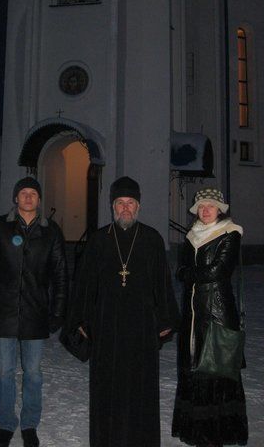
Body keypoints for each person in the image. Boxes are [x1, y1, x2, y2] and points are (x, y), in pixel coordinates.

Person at [64, 176, 179, 447]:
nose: (125, 208)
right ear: (112, 206)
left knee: (141, 392)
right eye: (120, 203)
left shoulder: (151, 239)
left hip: (142, 329)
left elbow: (163, 284)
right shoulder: (97, 241)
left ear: (138, 206)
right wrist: (79, 320)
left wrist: (166, 319)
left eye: (130, 203)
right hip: (106, 329)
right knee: (107, 391)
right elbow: (83, 286)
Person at [0, 177, 68, 447]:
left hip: (36, 312)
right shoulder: (0, 228)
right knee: (4, 371)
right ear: (15, 198)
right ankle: (6, 423)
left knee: (33, 373)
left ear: (39, 199)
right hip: (3, 311)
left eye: (33, 193)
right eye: (23, 193)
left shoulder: (51, 232)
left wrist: (58, 311)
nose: (28, 197)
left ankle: (29, 425)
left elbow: (61, 275)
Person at [172, 187, 249, 447]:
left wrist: (188, 274)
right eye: (201, 207)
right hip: (192, 314)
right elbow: (181, 268)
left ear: (220, 210)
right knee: (193, 368)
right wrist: (188, 272)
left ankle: (216, 433)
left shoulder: (229, 234)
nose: (205, 211)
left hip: (216, 314)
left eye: (211, 206)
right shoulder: (191, 236)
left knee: (214, 372)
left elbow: (218, 271)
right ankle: (194, 430)